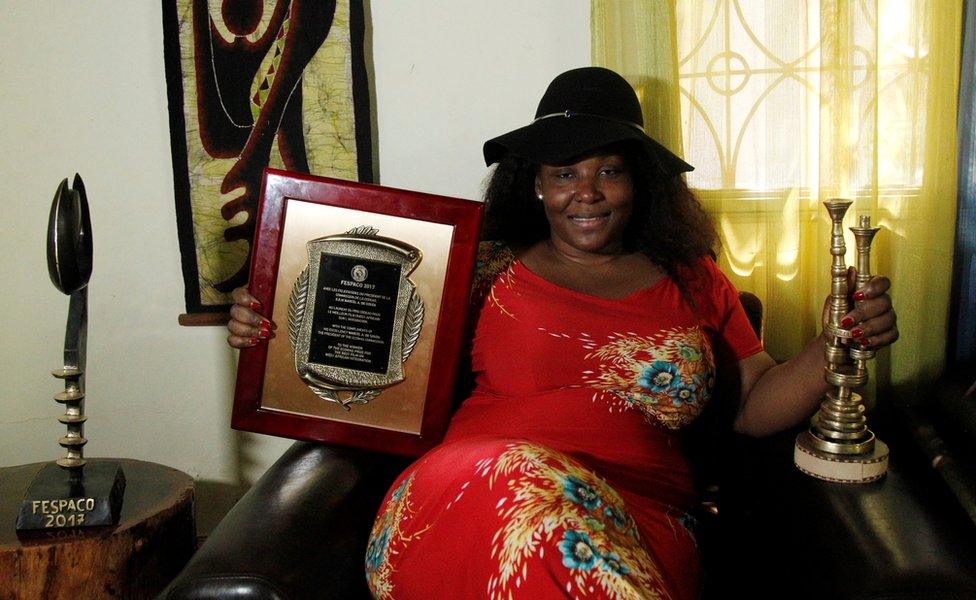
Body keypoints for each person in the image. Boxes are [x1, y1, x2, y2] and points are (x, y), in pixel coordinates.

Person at [226, 67, 898, 599]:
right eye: (564, 173)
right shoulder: (476, 270)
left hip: (639, 521)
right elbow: (357, 357)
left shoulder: (692, 279)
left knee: (544, 515)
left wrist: (832, 347)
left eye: (608, 169)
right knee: (517, 482)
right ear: (536, 187)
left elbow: (754, 406)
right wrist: (274, 330)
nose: (588, 191)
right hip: (468, 495)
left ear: (639, 181)